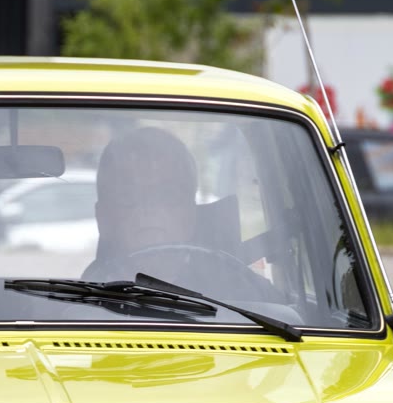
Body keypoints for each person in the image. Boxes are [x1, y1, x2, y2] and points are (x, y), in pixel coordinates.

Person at [80, 125, 264, 301]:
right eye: (129, 196)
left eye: (167, 194)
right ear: (103, 218)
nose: (150, 207)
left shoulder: (251, 298)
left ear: (191, 214)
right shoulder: (73, 307)